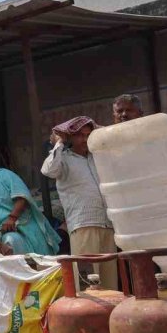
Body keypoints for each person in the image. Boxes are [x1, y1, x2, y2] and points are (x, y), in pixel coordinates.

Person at [41, 116, 118, 289]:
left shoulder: (97, 157)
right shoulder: (63, 158)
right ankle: (88, 314)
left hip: (108, 223)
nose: (84, 139)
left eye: (88, 135)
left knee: (110, 280)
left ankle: (111, 314)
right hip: (83, 223)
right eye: (79, 135)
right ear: (71, 137)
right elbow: (48, 170)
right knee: (88, 281)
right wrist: (59, 142)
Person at [0, 155, 60, 255]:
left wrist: (12, 218)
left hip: (20, 227)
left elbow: (21, 197)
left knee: (12, 241)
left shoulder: (3, 175)